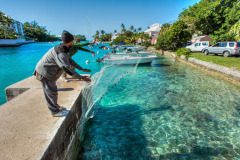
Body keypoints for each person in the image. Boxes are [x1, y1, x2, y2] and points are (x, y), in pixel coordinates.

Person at [34, 30, 92, 117]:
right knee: (51, 92)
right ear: (70, 41)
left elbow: (70, 60)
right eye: (73, 41)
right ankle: (54, 111)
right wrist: (81, 77)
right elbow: (67, 69)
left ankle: (56, 107)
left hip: (49, 73)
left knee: (52, 90)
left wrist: (81, 68)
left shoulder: (64, 48)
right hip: (44, 73)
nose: (74, 42)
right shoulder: (61, 53)